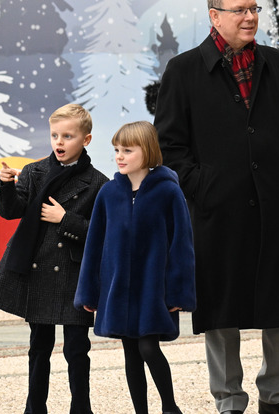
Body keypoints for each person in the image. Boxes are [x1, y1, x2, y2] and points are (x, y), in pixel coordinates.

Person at [153, 0, 279, 414]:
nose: (250, 17)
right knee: (220, 308)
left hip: (277, 206)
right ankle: (229, 399)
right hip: (216, 211)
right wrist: (200, 186)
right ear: (214, 16)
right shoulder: (183, 70)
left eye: (254, 9)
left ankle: (276, 397)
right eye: (240, 10)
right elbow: (170, 146)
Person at [0, 103, 109, 414]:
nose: (59, 142)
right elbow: (11, 211)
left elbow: (104, 234)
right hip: (37, 272)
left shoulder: (99, 183)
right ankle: (34, 408)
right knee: (39, 347)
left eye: (68, 136)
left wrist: (65, 219)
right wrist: (6, 185)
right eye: (54, 135)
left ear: (86, 140)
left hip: (73, 276)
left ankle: (82, 408)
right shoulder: (34, 172)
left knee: (78, 349)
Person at [74, 121, 196, 414]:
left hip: (154, 291)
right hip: (117, 290)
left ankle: (170, 407)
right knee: (130, 352)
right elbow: (94, 245)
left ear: (148, 151)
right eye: (117, 149)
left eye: (128, 150)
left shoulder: (168, 192)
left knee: (148, 347)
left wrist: (178, 293)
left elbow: (181, 245)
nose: (120, 156)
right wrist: (89, 293)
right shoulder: (108, 194)